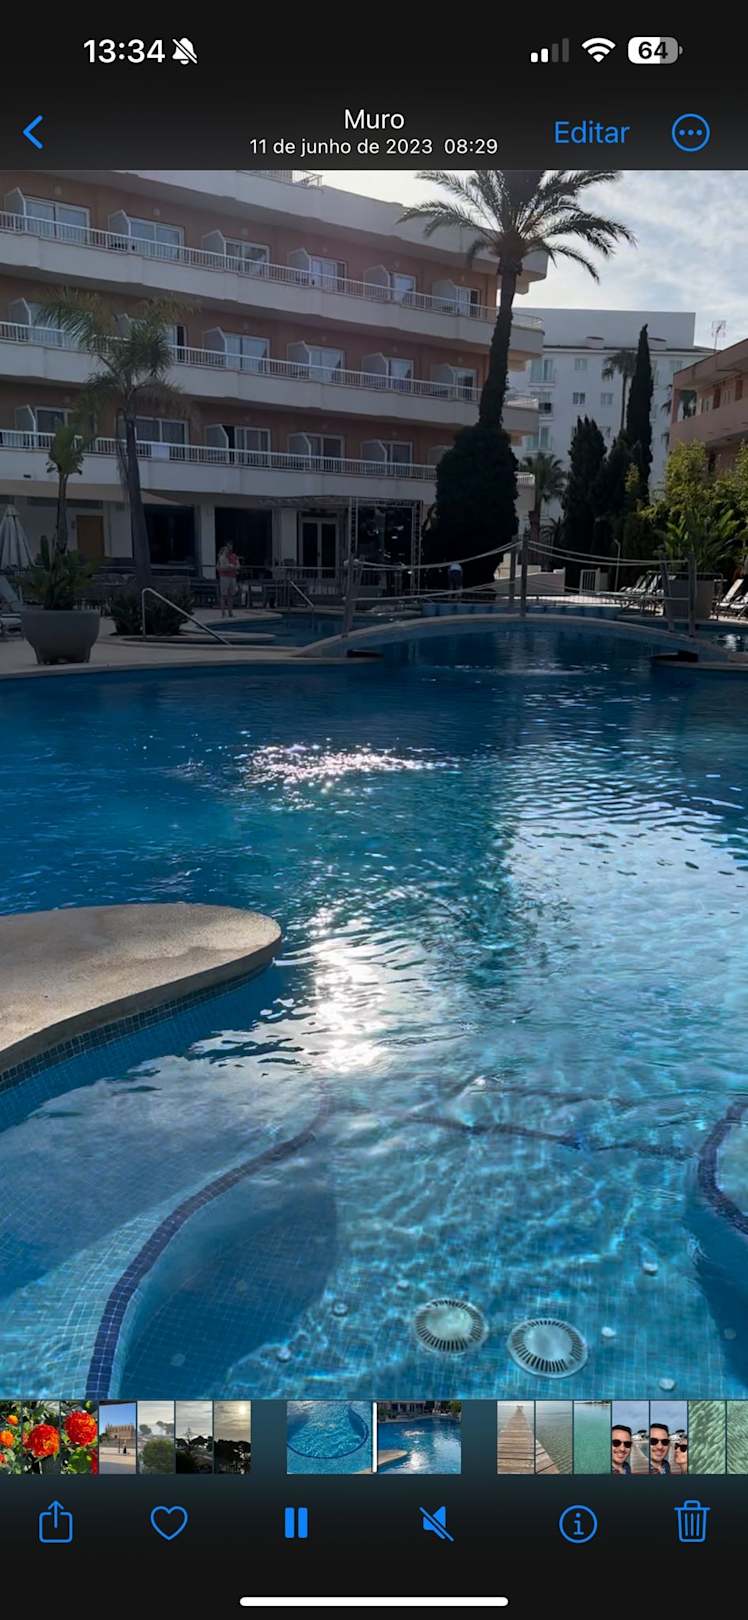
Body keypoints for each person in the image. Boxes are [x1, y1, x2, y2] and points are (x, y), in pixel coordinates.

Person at [217, 543, 240, 617]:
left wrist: (233, 567)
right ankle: (223, 612)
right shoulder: (221, 557)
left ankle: (230, 612)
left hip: (232, 577)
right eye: (228, 547)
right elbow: (219, 568)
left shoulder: (234, 556)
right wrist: (228, 568)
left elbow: (238, 566)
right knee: (223, 595)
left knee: (231, 595)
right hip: (224, 577)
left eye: (231, 547)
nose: (229, 548)